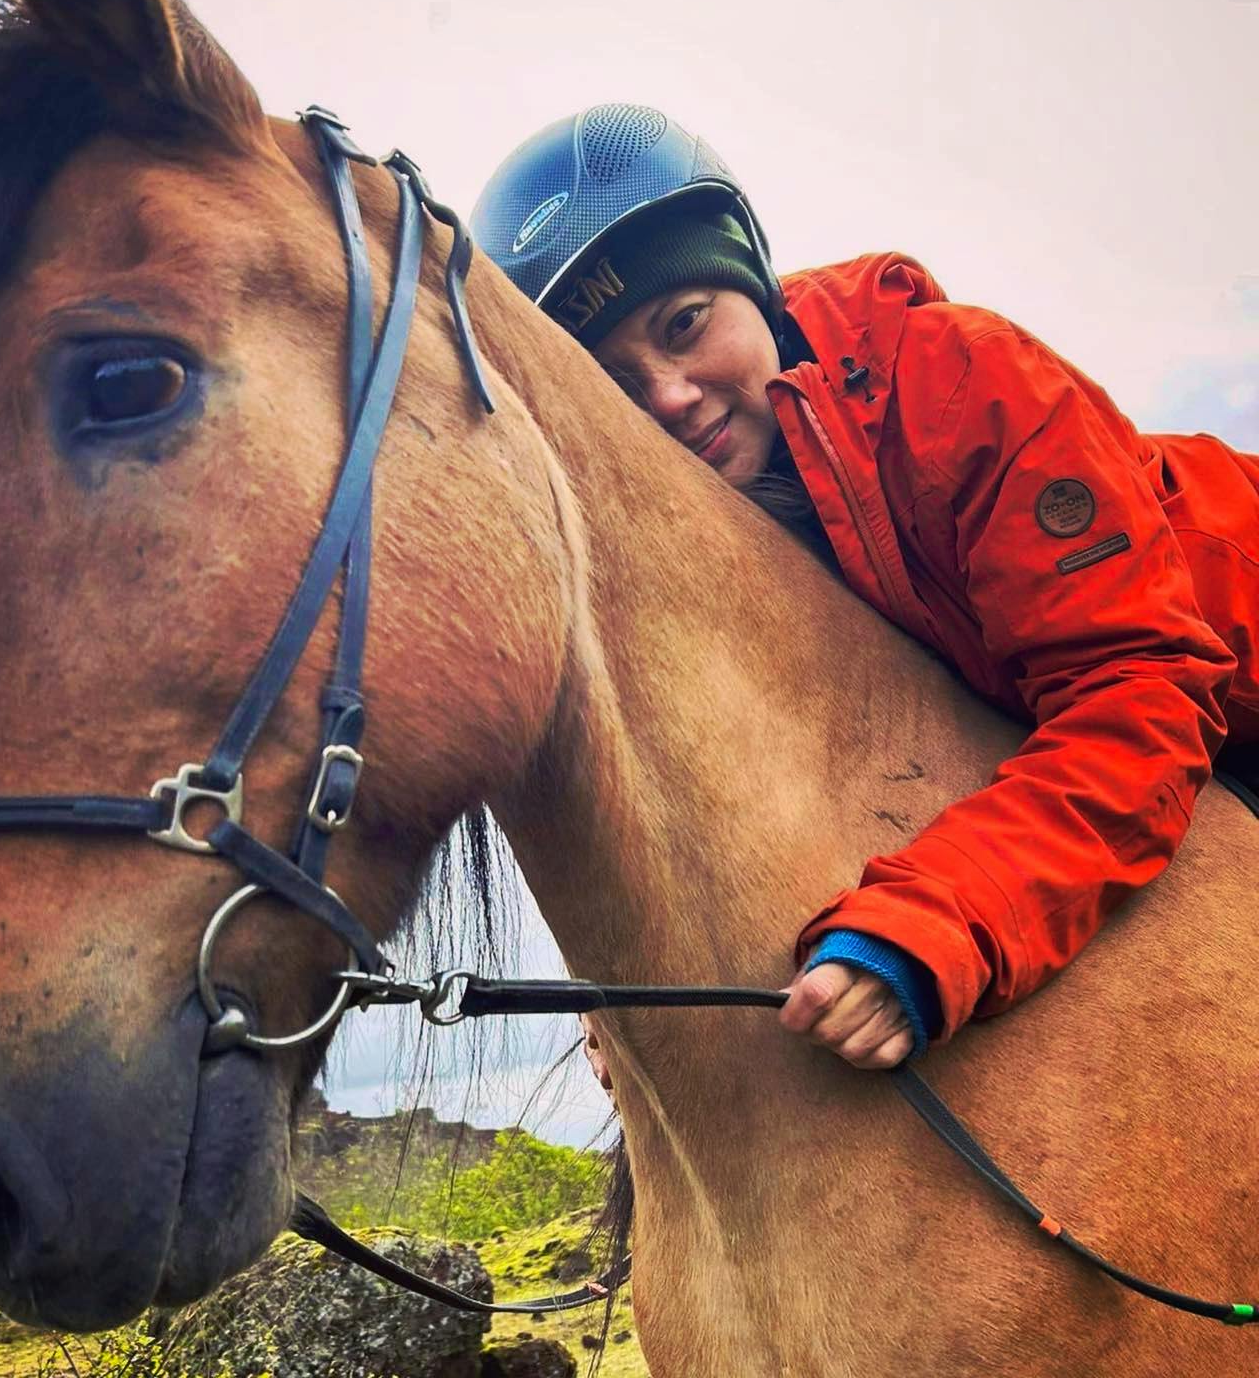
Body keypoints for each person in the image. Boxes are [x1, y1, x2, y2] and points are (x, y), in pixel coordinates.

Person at [470, 103, 1259, 1071]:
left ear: (751, 281)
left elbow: (1138, 692)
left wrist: (940, 925)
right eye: (618, 385)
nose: (670, 398)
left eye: (686, 325)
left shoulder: (961, 378)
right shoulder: (680, 523)